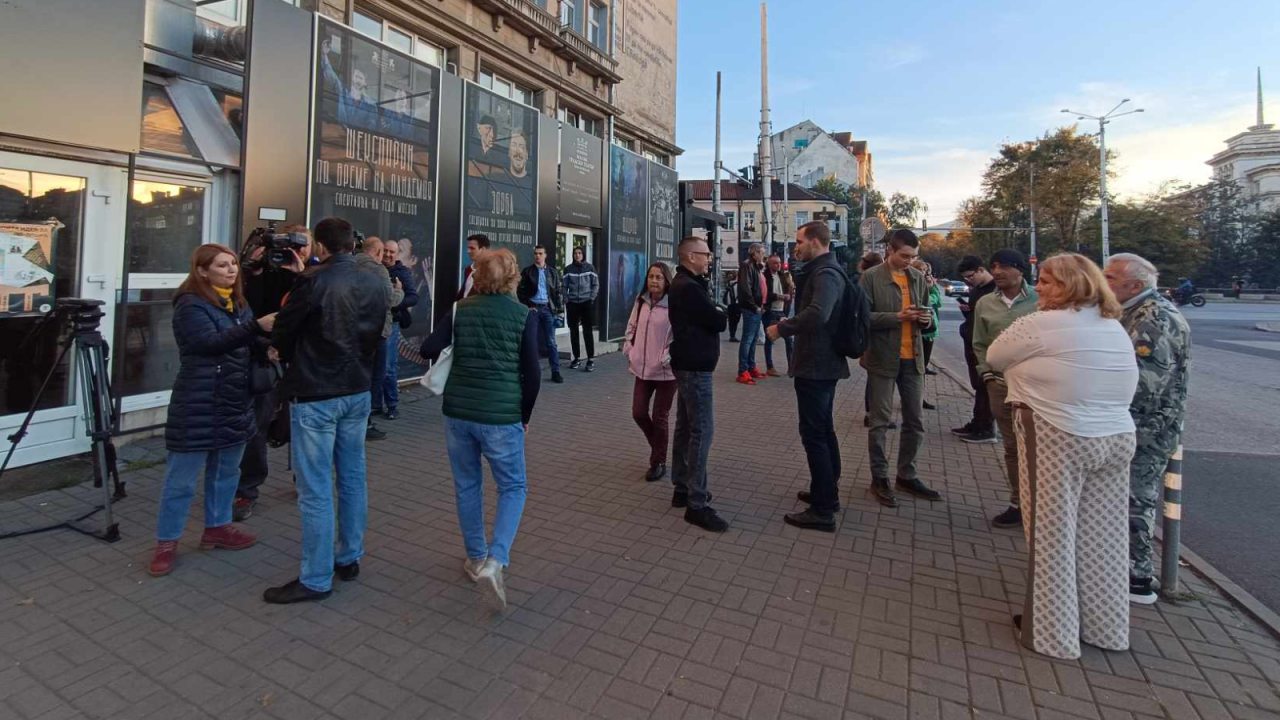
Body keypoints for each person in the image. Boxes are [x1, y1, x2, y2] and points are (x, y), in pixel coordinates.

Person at [986, 253, 1138, 660]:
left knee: (1051, 536)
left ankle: (1052, 633)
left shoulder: (1043, 323)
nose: (1040, 289)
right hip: (1116, 437)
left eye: (1049, 282)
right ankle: (1107, 627)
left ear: (1071, 286)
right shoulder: (1111, 325)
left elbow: (997, 356)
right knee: (1104, 537)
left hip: (1058, 433)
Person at [264, 217, 390, 604]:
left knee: (316, 488)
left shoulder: (313, 280)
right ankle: (348, 557)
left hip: (317, 392)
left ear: (320, 245)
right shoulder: (375, 278)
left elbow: (283, 332)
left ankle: (317, 578)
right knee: (352, 477)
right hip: (356, 389)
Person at [419, 249, 541, 612]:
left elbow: (428, 347)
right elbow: (532, 374)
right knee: (513, 486)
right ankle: (496, 560)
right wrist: (525, 415)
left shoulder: (460, 309)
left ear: (478, 277)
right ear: (513, 278)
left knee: (467, 485)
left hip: (458, 412)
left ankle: (475, 557)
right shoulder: (523, 316)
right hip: (502, 416)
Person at [149, 245, 273, 576]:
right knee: (181, 481)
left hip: (234, 400)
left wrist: (266, 347)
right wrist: (256, 328)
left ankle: (217, 529)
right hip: (198, 402)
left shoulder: (238, 304)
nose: (232, 270)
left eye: (233, 264)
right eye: (222, 265)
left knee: (226, 473)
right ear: (203, 271)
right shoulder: (190, 304)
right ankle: (166, 543)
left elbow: (243, 342)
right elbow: (207, 343)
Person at [1104, 253, 1191, 606]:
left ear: (1135, 285)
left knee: (1136, 499)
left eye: (1110, 278)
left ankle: (1137, 577)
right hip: (1134, 425)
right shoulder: (1133, 312)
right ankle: (1123, 569)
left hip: (1147, 428)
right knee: (1125, 498)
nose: (1103, 282)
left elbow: (1141, 386)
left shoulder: (1154, 319)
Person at [766, 222, 850, 532]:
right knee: (823, 430)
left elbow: (818, 313)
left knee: (815, 434)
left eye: (799, 241)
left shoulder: (826, 273)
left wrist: (781, 328)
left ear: (815, 242)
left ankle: (822, 509)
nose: (795, 247)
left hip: (817, 365)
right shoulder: (825, 269)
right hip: (821, 364)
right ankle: (825, 492)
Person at [234, 224, 312, 521]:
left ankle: (305, 480)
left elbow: (316, 312)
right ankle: (246, 490)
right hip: (264, 358)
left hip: (302, 361)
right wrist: (250, 273)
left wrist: (301, 275)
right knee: (255, 425)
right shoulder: (261, 271)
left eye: (303, 244)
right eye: (292, 243)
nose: (297, 250)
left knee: (305, 427)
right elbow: (246, 314)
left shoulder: (313, 273)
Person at [859, 229, 942, 508]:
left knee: (915, 421)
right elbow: (862, 318)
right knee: (880, 421)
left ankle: (907, 475)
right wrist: (897, 317)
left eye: (913, 257)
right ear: (890, 252)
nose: (909, 261)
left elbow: (928, 316)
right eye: (904, 256)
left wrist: (926, 319)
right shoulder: (870, 278)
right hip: (883, 358)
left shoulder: (918, 278)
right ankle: (879, 477)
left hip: (913, 358)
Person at [970, 249, 1039, 529]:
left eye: (1004, 266)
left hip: (1035, 388)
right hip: (999, 385)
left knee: (1037, 447)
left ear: (1020, 270)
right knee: (1011, 446)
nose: (997, 271)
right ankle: (1018, 503)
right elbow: (979, 343)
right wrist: (986, 374)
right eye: (994, 266)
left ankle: (1042, 504)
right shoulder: (986, 303)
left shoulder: (1040, 300)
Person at [669, 236, 730, 532]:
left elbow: (713, 315)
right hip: (694, 367)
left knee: (685, 426)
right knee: (701, 430)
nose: (710, 258)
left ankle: (682, 487)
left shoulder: (687, 284)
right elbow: (718, 320)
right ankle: (697, 502)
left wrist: (717, 311)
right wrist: (722, 312)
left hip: (689, 364)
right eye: (706, 254)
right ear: (691, 256)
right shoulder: (689, 288)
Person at [624, 263, 676, 483]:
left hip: (665, 371)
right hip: (642, 368)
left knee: (660, 417)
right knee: (638, 412)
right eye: (651, 277)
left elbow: (680, 334)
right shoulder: (641, 301)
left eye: (659, 278)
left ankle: (658, 462)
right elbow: (632, 326)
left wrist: (669, 353)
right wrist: (629, 347)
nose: (654, 281)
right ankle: (659, 447)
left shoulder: (673, 304)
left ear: (666, 281)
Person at [357, 237, 402, 441]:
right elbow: (389, 298)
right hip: (377, 332)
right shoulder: (379, 269)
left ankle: (359, 420)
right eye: (383, 251)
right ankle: (365, 422)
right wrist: (399, 290)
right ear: (377, 252)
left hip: (356, 331)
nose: (386, 256)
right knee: (376, 376)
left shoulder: (351, 265)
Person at [951, 256, 998, 443]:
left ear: (981, 270)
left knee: (985, 386)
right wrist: (967, 310)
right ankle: (977, 422)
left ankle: (986, 428)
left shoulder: (994, 291)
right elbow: (975, 313)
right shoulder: (977, 290)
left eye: (971, 276)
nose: (969, 280)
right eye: (965, 278)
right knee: (978, 386)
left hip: (983, 344)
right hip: (971, 338)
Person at [378, 239, 418, 421]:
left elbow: (413, 298)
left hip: (391, 323)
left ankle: (392, 405)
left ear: (396, 255)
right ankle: (376, 405)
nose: (387, 255)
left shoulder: (403, 273)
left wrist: (396, 302)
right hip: (373, 323)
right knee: (374, 366)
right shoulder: (375, 268)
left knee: (388, 366)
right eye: (384, 251)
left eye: (391, 252)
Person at [517, 245, 565, 384]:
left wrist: (560, 311)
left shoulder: (553, 273)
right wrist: (528, 306)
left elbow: (559, 293)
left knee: (551, 342)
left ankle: (555, 372)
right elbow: (521, 292)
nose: (537, 256)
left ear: (545, 255)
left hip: (547, 309)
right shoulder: (527, 272)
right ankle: (528, 372)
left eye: (540, 253)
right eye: (535, 254)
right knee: (530, 341)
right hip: (533, 309)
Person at [857, 252, 892, 429]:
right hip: (874, 337)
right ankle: (874, 414)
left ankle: (873, 413)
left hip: (870, 337)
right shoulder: (870, 281)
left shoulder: (866, 280)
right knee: (877, 378)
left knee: (875, 377)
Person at [562, 246, 600, 371]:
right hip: (572, 303)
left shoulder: (590, 268)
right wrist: (566, 299)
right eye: (575, 253)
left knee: (587, 331)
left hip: (586, 303)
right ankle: (576, 358)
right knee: (573, 332)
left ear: (583, 255)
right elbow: (564, 287)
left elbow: (595, 284)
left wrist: (591, 298)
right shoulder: (568, 269)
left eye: (579, 253)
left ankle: (590, 359)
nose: (577, 255)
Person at [736, 243, 768, 384]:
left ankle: (750, 366)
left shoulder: (754, 266)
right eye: (761, 252)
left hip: (756, 308)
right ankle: (743, 371)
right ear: (754, 253)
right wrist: (754, 306)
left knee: (753, 339)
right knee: (748, 339)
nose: (763, 255)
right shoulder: (747, 265)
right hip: (751, 309)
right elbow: (745, 288)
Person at [761, 255, 794, 377]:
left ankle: (791, 366)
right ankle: (770, 367)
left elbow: (788, 293)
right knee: (769, 339)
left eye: (779, 263)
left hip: (782, 311)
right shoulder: (765, 276)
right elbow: (764, 294)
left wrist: (788, 297)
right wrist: (778, 296)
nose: (778, 265)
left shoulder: (782, 276)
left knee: (789, 339)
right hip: (770, 311)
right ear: (769, 264)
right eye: (775, 263)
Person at [458, 234, 489, 300]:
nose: (468, 251)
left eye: (472, 248)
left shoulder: (492, 271)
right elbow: (464, 292)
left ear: (483, 249)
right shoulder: (468, 269)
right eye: (468, 248)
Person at [722, 270, 741, 341]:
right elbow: (738, 295)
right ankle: (733, 336)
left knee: (731, 321)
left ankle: (731, 335)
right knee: (735, 321)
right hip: (736, 305)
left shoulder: (729, 284)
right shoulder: (737, 284)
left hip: (730, 305)